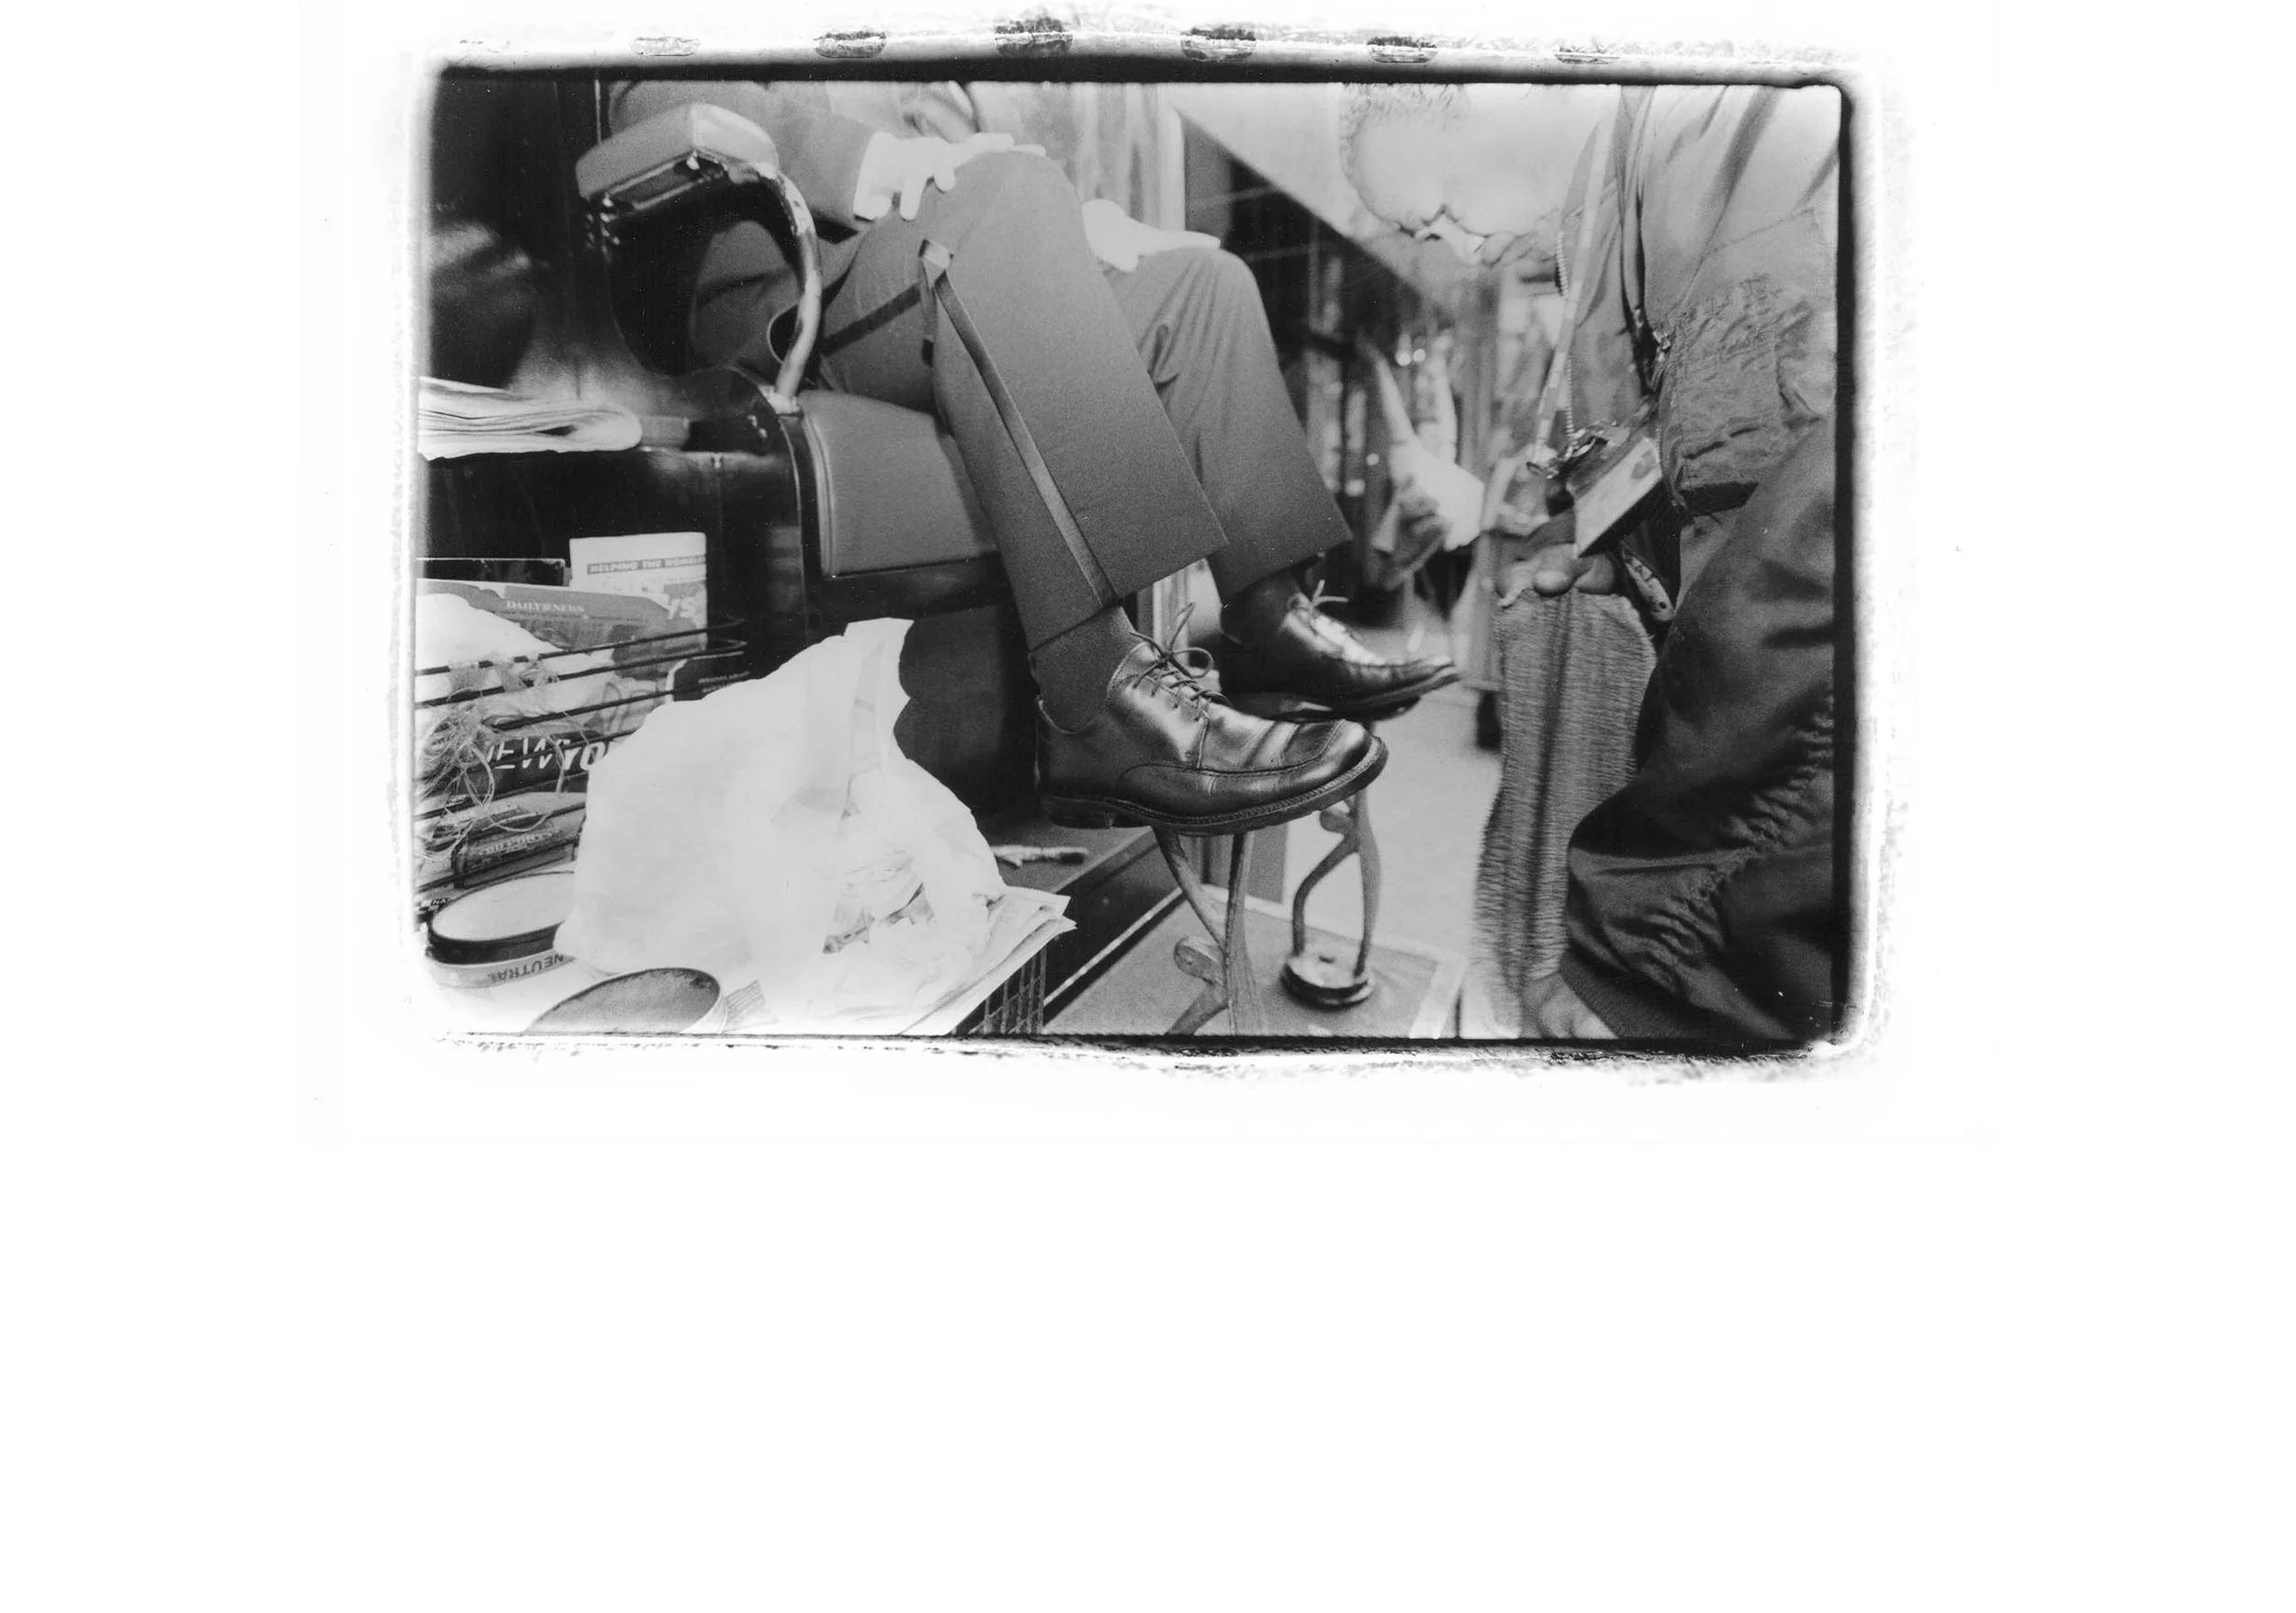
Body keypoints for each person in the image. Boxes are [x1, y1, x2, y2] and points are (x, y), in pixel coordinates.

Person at [604, 78, 1455, 837]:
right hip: (794, 277)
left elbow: (960, 168)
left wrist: (1069, 224)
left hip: (922, 253)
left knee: (1205, 284)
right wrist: (862, 160)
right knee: (1009, 194)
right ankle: (1093, 698)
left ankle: (1267, 618)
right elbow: (644, 96)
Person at [1344, 80, 1844, 1048]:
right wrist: (1628, 551)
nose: (1459, 251)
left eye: (1440, 213)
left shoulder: (1716, 150)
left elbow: (1820, 559)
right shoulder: (1626, 219)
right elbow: (1723, 463)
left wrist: (1657, 958)